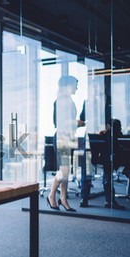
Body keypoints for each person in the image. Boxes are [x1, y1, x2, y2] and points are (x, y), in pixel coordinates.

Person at [47, 75, 79, 212]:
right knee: (64, 170)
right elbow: (58, 122)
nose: (77, 88)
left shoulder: (69, 101)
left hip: (68, 137)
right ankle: (51, 195)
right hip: (62, 137)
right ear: (68, 85)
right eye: (75, 85)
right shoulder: (60, 101)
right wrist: (75, 123)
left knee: (66, 171)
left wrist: (76, 124)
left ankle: (64, 198)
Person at [98, 119, 126, 210]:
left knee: (107, 177)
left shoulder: (105, 134)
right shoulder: (114, 134)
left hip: (105, 158)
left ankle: (108, 200)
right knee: (108, 177)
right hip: (110, 158)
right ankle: (110, 201)